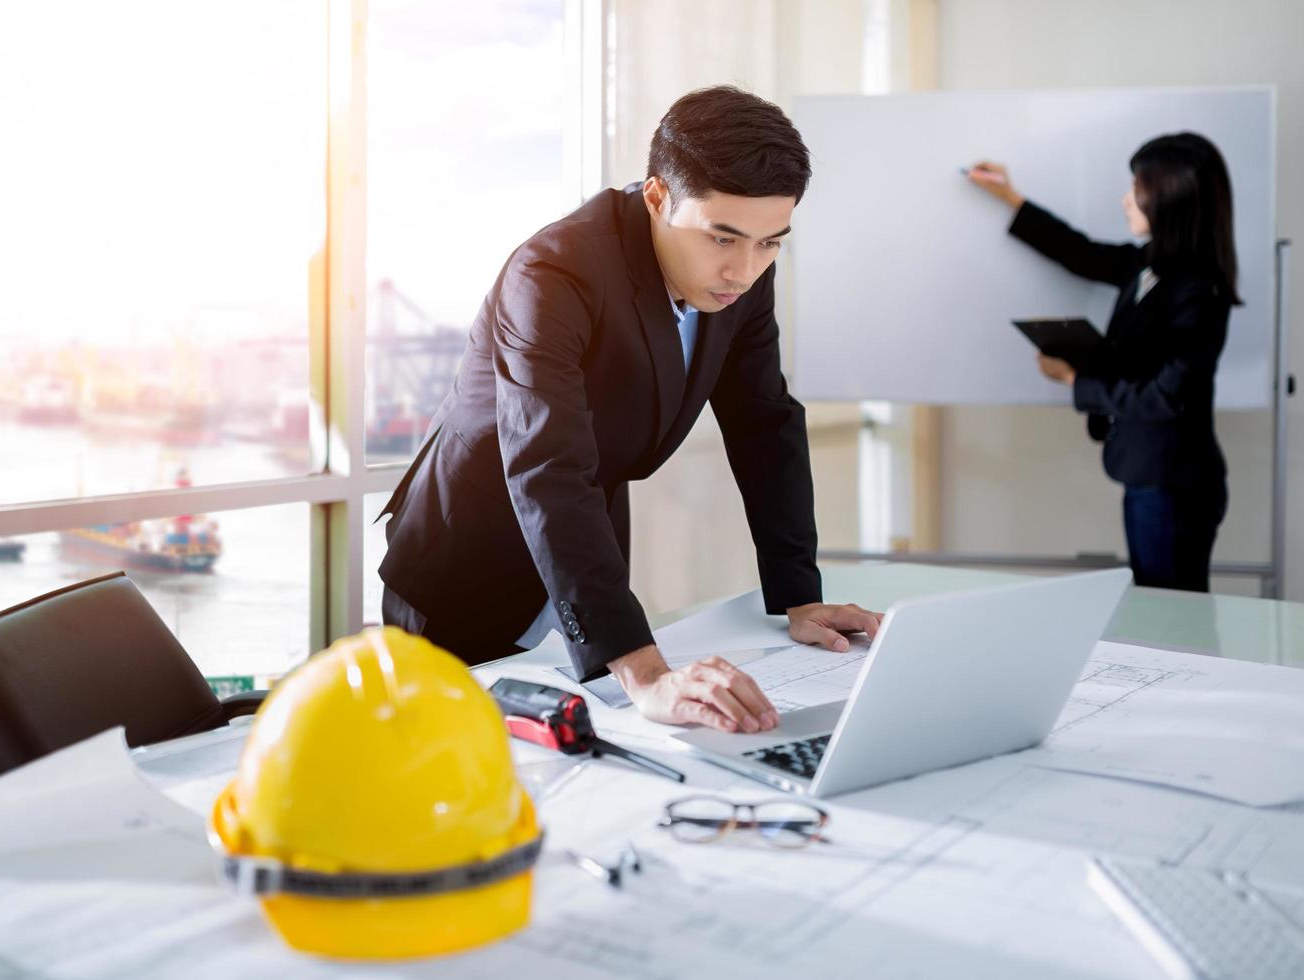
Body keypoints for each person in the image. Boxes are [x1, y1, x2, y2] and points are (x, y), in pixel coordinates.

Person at [378, 85, 882, 734]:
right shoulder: (552, 273)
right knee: (454, 763)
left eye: (770, 243)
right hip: (470, 561)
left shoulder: (741, 271)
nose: (744, 270)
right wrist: (644, 673)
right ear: (655, 198)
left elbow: (765, 421)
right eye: (722, 238)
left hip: (589, 554)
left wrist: (799, 598)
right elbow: (547, 467)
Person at [967, 133, 1239, 592]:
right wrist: (1011, 198)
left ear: (1171, 195)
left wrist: (1077, 380)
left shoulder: (1197, 287)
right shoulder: (1151, 264)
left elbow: (1168, 395)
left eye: (1138, 187)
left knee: (1171, 617)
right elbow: (1082, 255)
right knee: (1160, 607)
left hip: (1173, 482)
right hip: (1148, 474)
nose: (1125, 198)